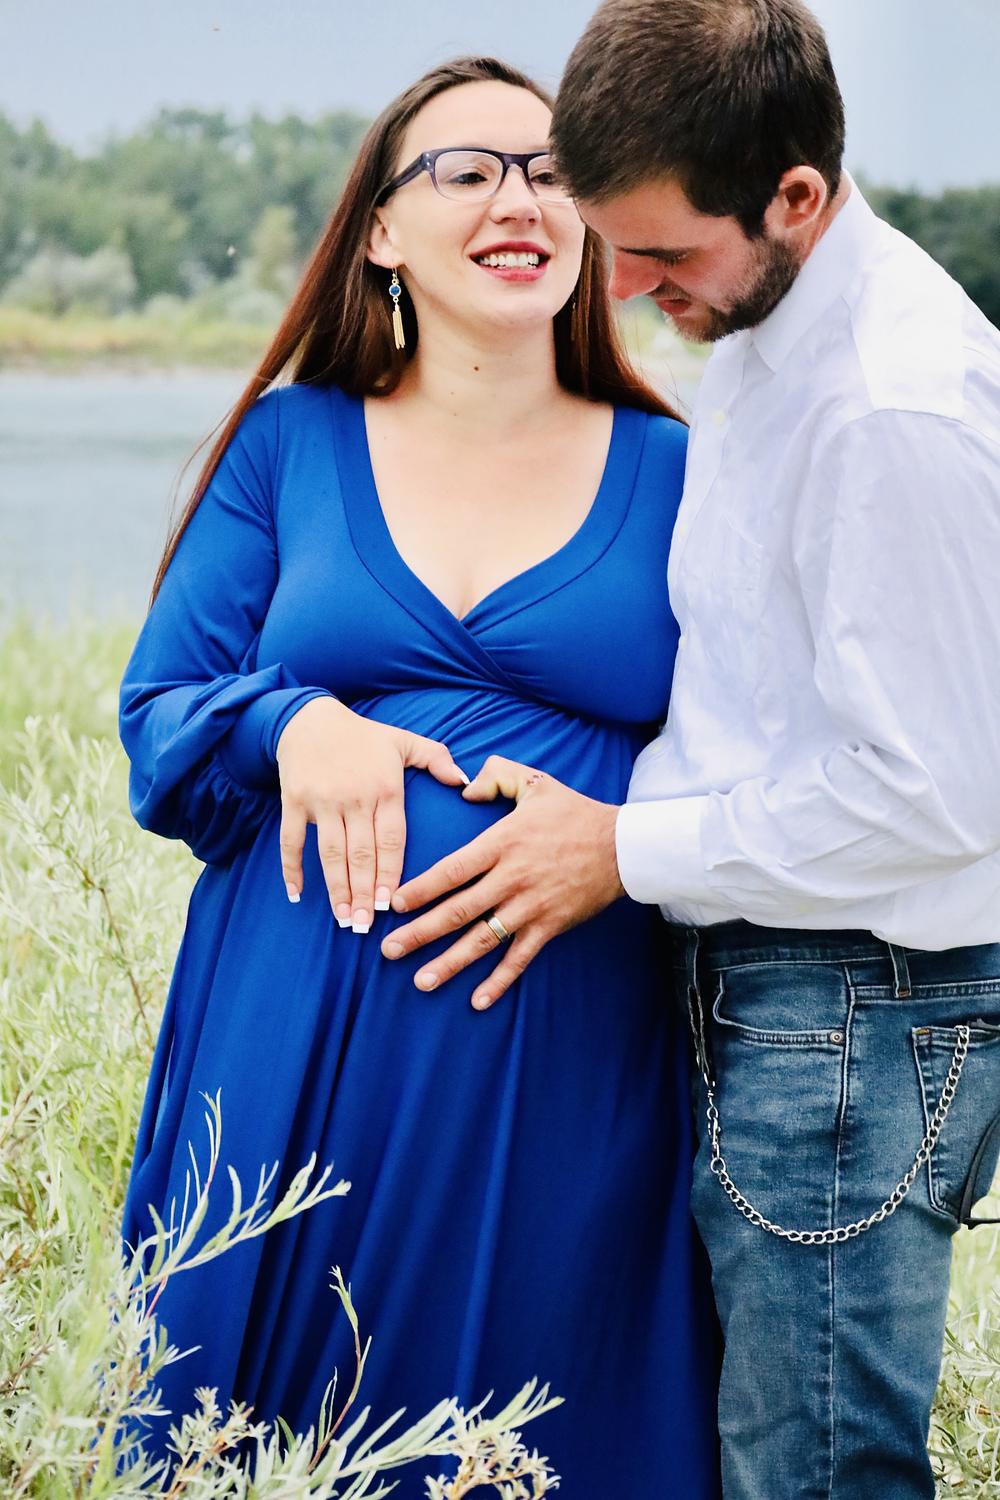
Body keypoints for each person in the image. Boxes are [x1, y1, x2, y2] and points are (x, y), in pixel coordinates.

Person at [380, 4, 1000, 1497]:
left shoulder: (889, 406)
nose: (625, 288)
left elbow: (938, 795)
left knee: (815, 1474)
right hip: (790, 993)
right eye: (612, 245)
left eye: (661, 253)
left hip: (851, 1008)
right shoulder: (770, 327)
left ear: (796, 196)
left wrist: (618, 846)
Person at [117, 55, 722, 1494]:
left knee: (547, 1433)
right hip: (289, 1057)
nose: (520, 198)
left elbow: (767, 763)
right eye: (469, 170)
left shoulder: (686, 472)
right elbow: (160, 722)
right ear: (382, 229)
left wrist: (619, 838)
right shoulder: (289, 444)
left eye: (554, 171)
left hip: (569, 1065)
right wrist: (291, 726)